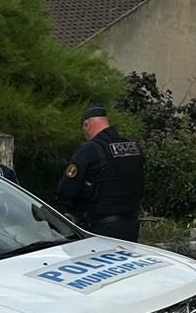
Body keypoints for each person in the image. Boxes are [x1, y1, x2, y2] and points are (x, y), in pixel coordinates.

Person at [57, 103, 144, 241]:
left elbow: (67, 191)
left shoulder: (89, 149)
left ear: (87, 125)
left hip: (99, 228)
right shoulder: (132, 147)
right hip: (130, 225)